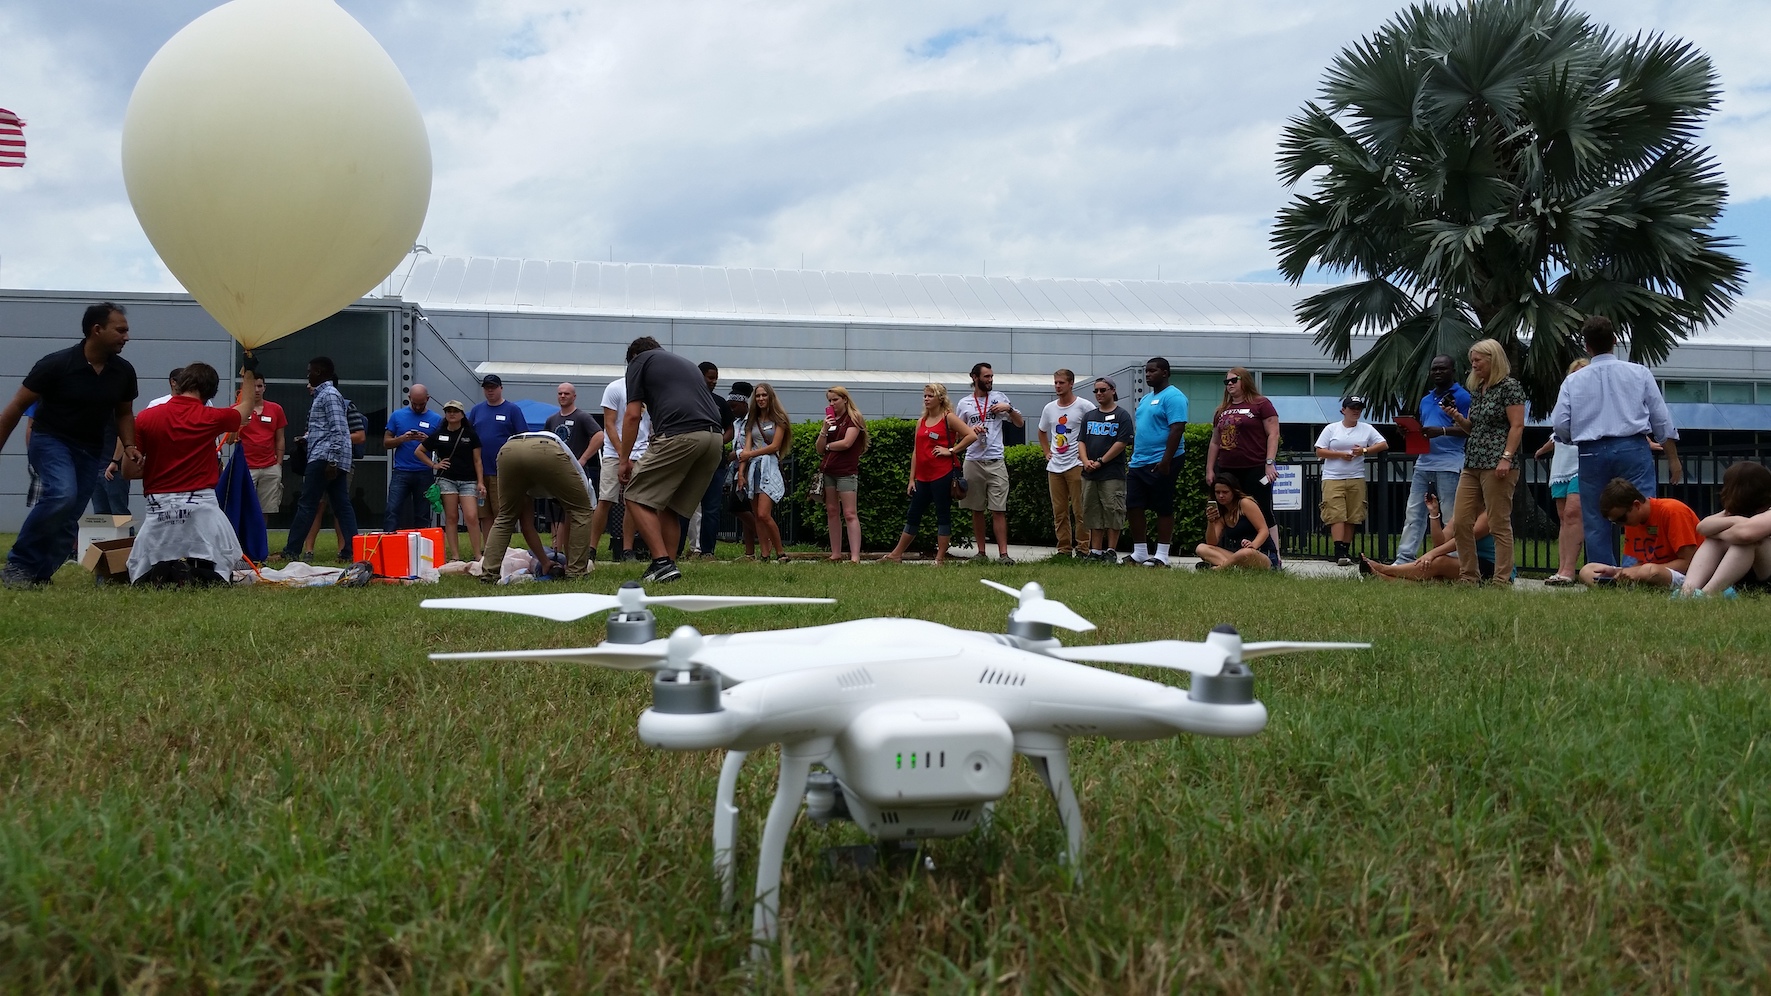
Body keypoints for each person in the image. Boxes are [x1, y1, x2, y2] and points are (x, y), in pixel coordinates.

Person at [0, 303, 141, 589]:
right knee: (62, 495)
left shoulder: (123, 372)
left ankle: (40, 574)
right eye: (121, 330)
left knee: (70, 513)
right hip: (50, 440)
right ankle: (18, 564)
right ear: (96, 330)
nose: (127, 337)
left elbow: (124, 412)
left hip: (89, 450)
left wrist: (128, 445)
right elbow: (16, 407)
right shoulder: (56, 364)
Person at [1551, 315, 1682, 568]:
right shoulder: (1639, 373)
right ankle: (1636, 567)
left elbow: (1560, 423)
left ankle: (1603, 572)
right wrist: (1673, 458)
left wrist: (1569, 438)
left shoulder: (1573, 380)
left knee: (1594, 515)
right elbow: (1661, 419)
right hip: (1632, 446)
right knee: (1642, 508)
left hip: (1590, 451)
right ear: (1615, 340)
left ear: (1587, 347)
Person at [125, 362, 256, 584]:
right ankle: (206, 571)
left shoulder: (146, 417)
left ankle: (163, 569)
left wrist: (161, 464)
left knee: (143, 567)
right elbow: (246, 408)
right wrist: (249, 372)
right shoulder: (210, 416)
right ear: (209, 392)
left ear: (181, 383)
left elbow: (128, 471)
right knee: (222, 544)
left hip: (158, 507)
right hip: (201, 506)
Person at [618, 337, 726, 584]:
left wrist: (624, 459)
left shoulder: (639, 362)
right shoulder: (686, 364)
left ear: (633, 356)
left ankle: (661, 562)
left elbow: (633, 415)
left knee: (634, 495)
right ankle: (668, 569)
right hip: (713, 439)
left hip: (680, 435)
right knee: (671, 508)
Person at [1444, 338, 1526, 584]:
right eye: (1472, 361)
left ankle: (1502, 580)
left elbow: (1517, 425)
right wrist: (1457, 417)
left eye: (1478, 360)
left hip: (1498, 464)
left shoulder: (1510, 387)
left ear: (1493, 359)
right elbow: (1474, 428)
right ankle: (1469, 576)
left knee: (1498, 523)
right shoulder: (1478, 389)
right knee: (1461, 521)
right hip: (1473, 462)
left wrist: (1506, 458)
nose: (1474, 365)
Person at [479, 430, 597, 580]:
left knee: (505, 517)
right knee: (581, 511)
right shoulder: (581, 482)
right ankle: (576, 573)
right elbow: (578, 516)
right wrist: (571, 563)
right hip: (544, 449)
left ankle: (488, 574)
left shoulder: (531, 483)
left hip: (508, 450)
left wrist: (545, 562)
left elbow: (527, 526)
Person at [884, 384, 977, 564]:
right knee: (914, 513)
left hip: (943, 474)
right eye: (925, 396)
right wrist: (912, 478)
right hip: (923, 477)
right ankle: (896, 554)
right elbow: (916, 451)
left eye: (930, 396)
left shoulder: (948, 418)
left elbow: (971, 435)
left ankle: (939, 558)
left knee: (942, 514)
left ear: (940, 398)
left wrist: (951, 450)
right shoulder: (922, 421)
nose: (926, 399)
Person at [1394, 355, 1471, 564]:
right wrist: (1409, 431)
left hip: (1450, 462)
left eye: (1442, 369)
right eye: (1434, 369)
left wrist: (1442, 430)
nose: (1437, 372)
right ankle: (1404, 558)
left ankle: (1453, 559)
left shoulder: (1463, 397)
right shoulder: (1426, 399)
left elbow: (1469, 429)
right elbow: (1426, 429)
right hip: (1424, 461)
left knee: (1450, 515)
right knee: (1413, 512)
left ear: (1452, 371)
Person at [280, 356, 358, 563]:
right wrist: (305, 439)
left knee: (307, 504)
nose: (307, 375)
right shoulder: (323, 396)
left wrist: (332, 460)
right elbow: (324, 429)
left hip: (325, 459)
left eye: (310, 371)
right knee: (342, 505)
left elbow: (339, 429)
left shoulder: (329, 395)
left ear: (320, 373)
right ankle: (353, 550)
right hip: (330, 458)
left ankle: (291, 550)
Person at [1205, 366, 1281, 567]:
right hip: (1228, 468)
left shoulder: (1261, 404)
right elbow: (1215, 441)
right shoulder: (1221, 410)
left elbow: (1273, 433)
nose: (1229, 384)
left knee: (1263, 509)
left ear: (1244, 380)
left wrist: (1269, 463)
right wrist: (1210, 469)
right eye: (1226, 381)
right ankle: (1231, 559)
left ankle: (1275, 557)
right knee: (1225, 509)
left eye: (1233, 380)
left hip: (1254, 465)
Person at [955, 361, 1024, 564]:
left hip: (996, 460)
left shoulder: (999, 398)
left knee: (998, 509)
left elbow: (1020, 423)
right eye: (986, 377)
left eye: (992, 377)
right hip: (973, 460)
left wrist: (1009, 409)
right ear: (975, 378)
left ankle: (1004, 555)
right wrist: (971, 431)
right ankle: (981, 553)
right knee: (977, 508)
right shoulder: (964, 404)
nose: (990, 380)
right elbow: (958, 434)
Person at [1577, 479, 1699, 589]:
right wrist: (1619, 573)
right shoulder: (1634, 521)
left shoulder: (1672, 511)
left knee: (1649, 571)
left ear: (1636, 505)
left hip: (1688, 575)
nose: (1621, 524)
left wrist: (1637, 571)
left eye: (1621, 518)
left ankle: (1618, 586)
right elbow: (1642, 562)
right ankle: (1612, 586)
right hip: (1648, 571)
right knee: (1587, 570)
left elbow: (1688, 562)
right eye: (1615, 522)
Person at [1125, 357, 1188, 567]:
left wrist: (1166, 460)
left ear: (1165, 373)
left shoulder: (1174, 397)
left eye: (1152, 371)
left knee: (1163, 506)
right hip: (1139, 461)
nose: (1148, 374)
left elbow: (1177, 428)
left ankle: (1161, 555)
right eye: (1146, 371)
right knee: (1133, 505)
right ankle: (1140, 552)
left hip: (1163, 460)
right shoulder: (1145, 399)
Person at [1314, 396, 1388, 566]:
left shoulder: (1367, 428)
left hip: (1356, 476)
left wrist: (1364, 450)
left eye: (1359, 408)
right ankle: (1338, 550)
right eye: (1352, 407)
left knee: (1353, 515)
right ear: (1343, 410)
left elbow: (1383, 444)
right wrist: (1340, 454)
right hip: (1333, 477)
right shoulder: (1331, 429)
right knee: (1336, 513)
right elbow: (1319, 451)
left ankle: (1345, 550)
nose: (1355, 411)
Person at [1678, 461, 1771, 597]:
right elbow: (1702, 527)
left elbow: (1746, 535)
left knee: (1747, 543)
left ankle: (1708, 594)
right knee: (1713, 541)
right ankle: (1687, 592)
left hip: (1766, 578)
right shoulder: (1732, 512)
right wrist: (1735, 520)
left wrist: (1719, 532)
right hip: (1749, 577)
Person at [1535, 357, 1590, 585]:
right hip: (1561, 464)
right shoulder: (1566, 399)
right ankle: (1562, 568)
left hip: (1583, 463)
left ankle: (1569, 571)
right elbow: (1556, 433)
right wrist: (1540, 450)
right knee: (1564, 518)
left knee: (1573, 514)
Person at [1363, 493, 1496, 582]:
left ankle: (1385, 569)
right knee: (1435, 580)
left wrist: (1431, 554)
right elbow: (1441, 542)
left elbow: (1464, 540)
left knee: (1440, 561)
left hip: (1490, 565)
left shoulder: (1489, 514)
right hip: (1468, 561)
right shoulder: (1462, 513)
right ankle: (1381, 577)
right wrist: (1434, 514)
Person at [1037, 368, 1096, 558]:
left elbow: (1095, 428)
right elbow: (1042, 431)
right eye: (1055, 382)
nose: (1057, 386)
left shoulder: (1084, 406)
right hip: (1055, 466)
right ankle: (1063, 549)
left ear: (1071, 383)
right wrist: (1047, 451)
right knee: (1059, 511)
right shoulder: (1050, 408)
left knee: (1080, 509)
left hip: (1075, 465)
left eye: (1061, 382)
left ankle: (1083, 548)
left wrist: (1086, 455)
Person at [419, 400, 485, 563]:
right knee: (451, 517)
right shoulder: (439, 434)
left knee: (471, 516)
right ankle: (455, 556)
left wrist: (480, 482)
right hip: (447, 479)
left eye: (455, 410)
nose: (452, 413)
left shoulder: (470, 434)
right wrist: (434, 465)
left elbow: (478, 460)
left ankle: (477, 554)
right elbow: (419, 451)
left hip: (468, 479)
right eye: (448, 410)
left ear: (462, 414)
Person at [594, 374, 651, 562]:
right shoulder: (615, 388)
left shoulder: (651, 389)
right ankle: (591, 549)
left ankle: (627, 549)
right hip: (614, 452)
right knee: (606, 499)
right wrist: (622, 454)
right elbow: (609, 424)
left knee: (633, 501)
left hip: (641, 453)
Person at [544, 382, 604, 557]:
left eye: (567, 394)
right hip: (555, 473)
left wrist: (583, 459)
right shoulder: (552, 420)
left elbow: (599, 435)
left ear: (574, 396)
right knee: (555, 514)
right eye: (560, 393)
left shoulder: (582, 417)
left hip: (575, 473)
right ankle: (557, 550)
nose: (563, 396)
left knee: (572, 513)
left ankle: (573, 553)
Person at [467, 374, 530, 535]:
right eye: (487, 388)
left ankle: (502, 550)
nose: (490, 391)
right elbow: (468, 436)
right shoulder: (476, 410)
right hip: (480, 471)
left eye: (493, 387)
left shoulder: (512, 410)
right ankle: (489, 549)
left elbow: (523, 438)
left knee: (500, 513)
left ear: (501, 388)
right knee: (484, 514)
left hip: (501, 471)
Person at [1079, 377, 1133, 562]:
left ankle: (1111, 550)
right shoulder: (1089, 416)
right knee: (1092, 510)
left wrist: (1101, 462)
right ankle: (1095, 551)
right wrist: (1086, 461)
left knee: (1113, 510)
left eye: (1103, 390)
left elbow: (1121, 442)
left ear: (1113, 390)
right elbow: (1081, 441)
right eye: (1096, 391)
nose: (1099, 394)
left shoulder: (1122, 415)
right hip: (1089, 474)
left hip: (1111, 474)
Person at [736, 383, 791, 563]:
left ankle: (781, 552)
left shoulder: (779, 419)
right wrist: (741, 474)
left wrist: (750, 454)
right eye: (758, 396)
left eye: (764, 395)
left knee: (763, 514)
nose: (760, 399)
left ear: (770, 398)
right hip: (753, 469)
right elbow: (747, 447)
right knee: (755, 514)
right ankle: (765, 554)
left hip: (769, 467)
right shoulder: (753, 421)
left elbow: (775, 446)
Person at [692, 362, 738, 558]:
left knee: (711, 508)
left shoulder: (720, 403)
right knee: (685, 507)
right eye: (710, 377)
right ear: (699, 376)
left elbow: (730, 429)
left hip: (715, 463)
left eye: (716, 378)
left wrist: (719, 441)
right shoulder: (689, 400)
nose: (714, 381)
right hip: (691, 463)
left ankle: (707, 551)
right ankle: (678, 549)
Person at [817, 385, 867, 563]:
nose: (832, 403)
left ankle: (855, 556)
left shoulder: (854, 418)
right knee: (831, 510)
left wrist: (829, 446)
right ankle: (835, 553)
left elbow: (847, 443)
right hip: (829, 470)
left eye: (835, 399)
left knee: (850, 513)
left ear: (845, 399)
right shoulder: (830, 420)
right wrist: (824, 429)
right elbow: (819, 448)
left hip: (846, 471)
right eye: (829, 400)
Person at [382, 384, 440, 531]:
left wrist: (427, 441)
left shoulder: (436, 419)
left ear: (428, 399)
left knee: (423, 513)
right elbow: (386, 443)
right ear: (409, 398)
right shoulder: (397, 416)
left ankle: (421, 549)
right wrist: (401, 439)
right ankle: (389, 541)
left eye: (422, 404)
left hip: (424, 472)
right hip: (402, 471)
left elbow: (441, 448)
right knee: (392, 509)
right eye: (414, 403)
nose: (418, 407)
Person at [238, 371, 287, 515]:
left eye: (260, 386)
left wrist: (278, 464)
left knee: (266, 509)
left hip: (270, 466)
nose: (257, 390)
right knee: (245, 507)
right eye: (253, 386)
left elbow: (280, 438)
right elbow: (229, 438)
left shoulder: (276, 409)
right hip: (247, 466)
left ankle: (261, 537)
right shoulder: (238, 409)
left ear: (264, 387)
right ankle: (244, 538)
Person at [1195, 478, 1271, 571]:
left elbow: (1263, 530)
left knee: (1246, 553)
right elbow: (1212, 543)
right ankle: (1231, 569)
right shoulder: (1222, 514)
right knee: (1201, 548)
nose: (1221, 496)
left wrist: (1253, 545)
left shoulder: (1245, 503)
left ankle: (1219, 569)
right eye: (1217, 492)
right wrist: (1211, 522)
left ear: (1234, 492)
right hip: (1238, 555)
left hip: (1259, 553)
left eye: (1225, 492)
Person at [724, 383, 758, 558]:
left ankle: (766, 536)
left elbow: (752, 445)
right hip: (737, 468)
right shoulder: (736, 423)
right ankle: (749, 552)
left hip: (750, 467)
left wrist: (735, 454)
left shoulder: (752, 422)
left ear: (745, 404)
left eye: (734, 406)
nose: (732, 410)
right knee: (745, 509)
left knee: (737, 507)